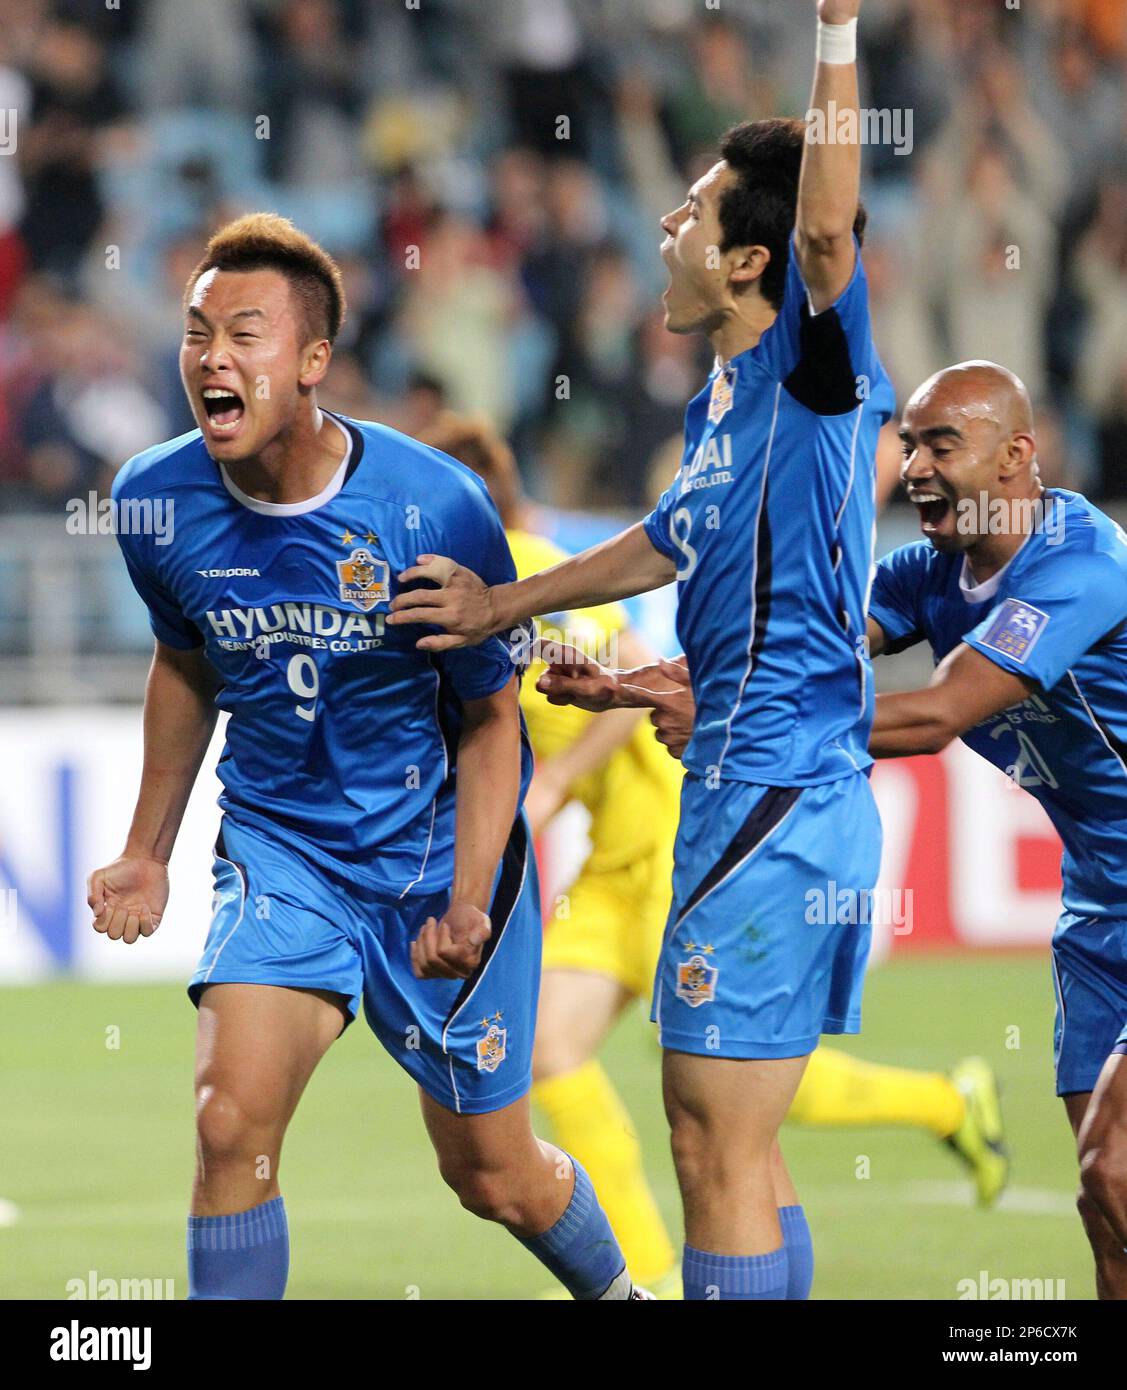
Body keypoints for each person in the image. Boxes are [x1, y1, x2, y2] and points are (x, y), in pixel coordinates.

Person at [390, 1, 893, 1300]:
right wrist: (530, 619)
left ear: (743, 263)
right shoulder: (723, 399)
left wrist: (832, 27)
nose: (664, 227)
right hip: (749, 785)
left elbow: (826, 226)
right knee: (739, 1149)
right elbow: (668, 539)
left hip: (772, 799)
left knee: (708, 1147)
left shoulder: (808, 361)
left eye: (689, 213)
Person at [86, 213, 646, 1301]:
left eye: (243, 333)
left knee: (491, 1174)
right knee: (228, 1125)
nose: (210, 356)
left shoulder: (431, 505)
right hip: (282, 854)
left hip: (436, 859)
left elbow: (490, 721)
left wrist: (474, 894)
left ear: (310, 362)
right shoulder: (154, 500)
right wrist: (146, 850)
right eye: (198, 331)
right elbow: (184, 663)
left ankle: (622, 1295)